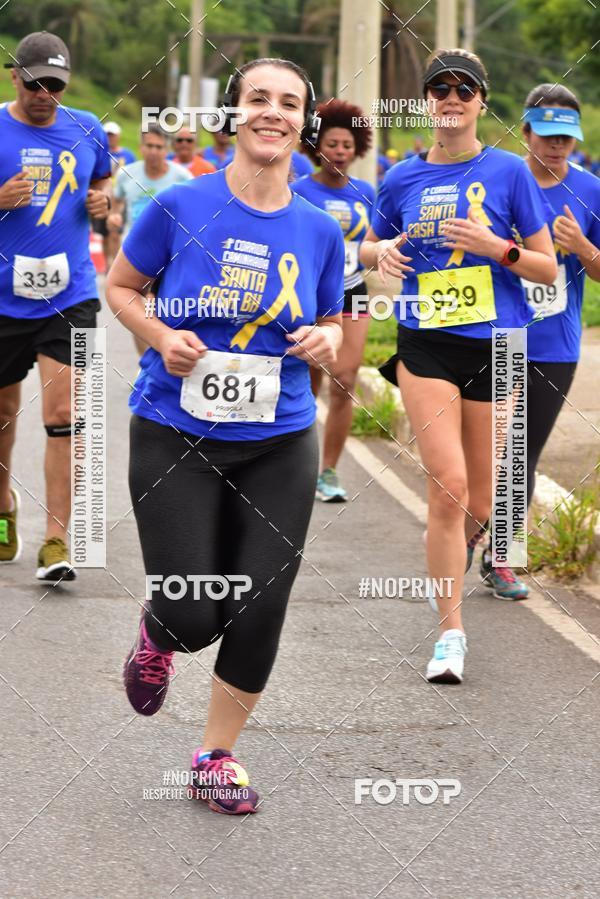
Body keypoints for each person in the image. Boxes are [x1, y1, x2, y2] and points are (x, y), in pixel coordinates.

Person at [106, 57, 344, 813]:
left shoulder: (319, 228)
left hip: (280, 438)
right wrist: (157, 335)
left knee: (261, 601)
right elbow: (121, 285)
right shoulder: (180, 205)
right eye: (257, 99)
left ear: (304, 121)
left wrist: (328, 342)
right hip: (176, 429)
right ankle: (156, 633)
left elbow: (334, 318)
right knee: (191, 610)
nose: (272, 112)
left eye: (288, 103)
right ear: (235, 114)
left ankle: (216, 754)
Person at [360, 49, 556, 684]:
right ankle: (450, 633)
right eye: (439, 88)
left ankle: (457, 553)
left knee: (479, 498)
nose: (451, 97)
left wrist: (497, 248)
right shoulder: (399, 180)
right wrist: (381, 253)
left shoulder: (510, 173)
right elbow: (370, 243)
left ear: (481, 99)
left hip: (497, 346)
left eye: (463, 89)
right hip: (427, 344)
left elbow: (546, 267)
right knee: (445, 486)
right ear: (426, 100)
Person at [478, 85, 600, 593]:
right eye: (546, 136)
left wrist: (584, 248)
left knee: (519, 450)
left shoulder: (591, 191)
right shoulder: (497, 179)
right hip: (492, 334)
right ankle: (470, 529)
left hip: (554, 343)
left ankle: (501, 556)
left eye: (565, 139)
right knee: (488, 450)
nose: (556, 147)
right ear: (524, 131)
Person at [0, 32, 111, 581]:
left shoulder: (87, 127)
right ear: (13, 76)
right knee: (1, 416)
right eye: (36, 83)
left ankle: (57, 540)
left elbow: (104, 184)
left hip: (71, 296)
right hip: (2, 300)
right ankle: (3, 512)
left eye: (56, 86)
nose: (46, 94)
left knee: (66, 413)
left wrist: (103, 201)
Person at [292, 99, 374, 502]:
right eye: (332, 143)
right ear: (316, 146)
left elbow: (377, 245)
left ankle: (328, 472)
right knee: (308, 380)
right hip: (308, 294)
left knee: (344, 380)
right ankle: (297, 463)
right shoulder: (298, 191)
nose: (340, 151)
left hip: (354, 293)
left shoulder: (367, 192)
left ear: (357, 148)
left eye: (346, 144)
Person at [107, 125, 191, 356]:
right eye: (149, 146)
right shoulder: (127, 174)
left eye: (159, 147)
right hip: (138, 254)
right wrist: (113, 217)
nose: (154, 151)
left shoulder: (182, 177)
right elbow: (116, 205)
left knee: (162, 311)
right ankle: (145, 365)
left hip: (169, 255)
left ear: (167, 149)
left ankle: (163, 354)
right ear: (141, 148)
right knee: (139, 311)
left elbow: (192, 215)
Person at [91, 121, 136, 271]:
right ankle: (107, 264)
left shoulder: (128, 155)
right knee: (103, 233)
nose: (109, 138)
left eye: (112, 135)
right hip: (103, 195)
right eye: (107, 134)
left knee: (116, 233)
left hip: (121, 198)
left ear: (118, 136)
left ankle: (116, 266)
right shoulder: (99, 153)